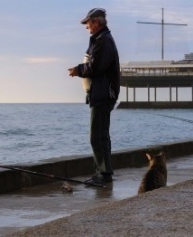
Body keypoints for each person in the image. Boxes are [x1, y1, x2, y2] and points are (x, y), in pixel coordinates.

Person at [68, 8, 120, 186]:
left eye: (88, 23)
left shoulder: (103, 41)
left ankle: (103, 174)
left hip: (102, 94)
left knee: (97, 136)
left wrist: (78, 70)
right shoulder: (101, 40)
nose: (87, 27)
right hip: (100, 93)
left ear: (96, 23)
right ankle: (105, 173)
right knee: (102, 135)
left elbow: (95, 66)